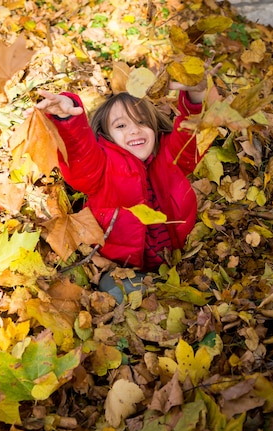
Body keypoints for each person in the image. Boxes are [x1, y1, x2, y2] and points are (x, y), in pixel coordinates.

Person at [28, 66, 219, 303]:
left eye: (141, 122)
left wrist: (198, 96)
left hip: (173, 258)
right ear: (105, 136)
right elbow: (81, 154)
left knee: (203, 293)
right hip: (121, 266)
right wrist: (68, 119)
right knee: (120, 292)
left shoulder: (171, 155)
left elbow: (195, 132)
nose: (134, 130)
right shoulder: (102, 167)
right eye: (121, 126)